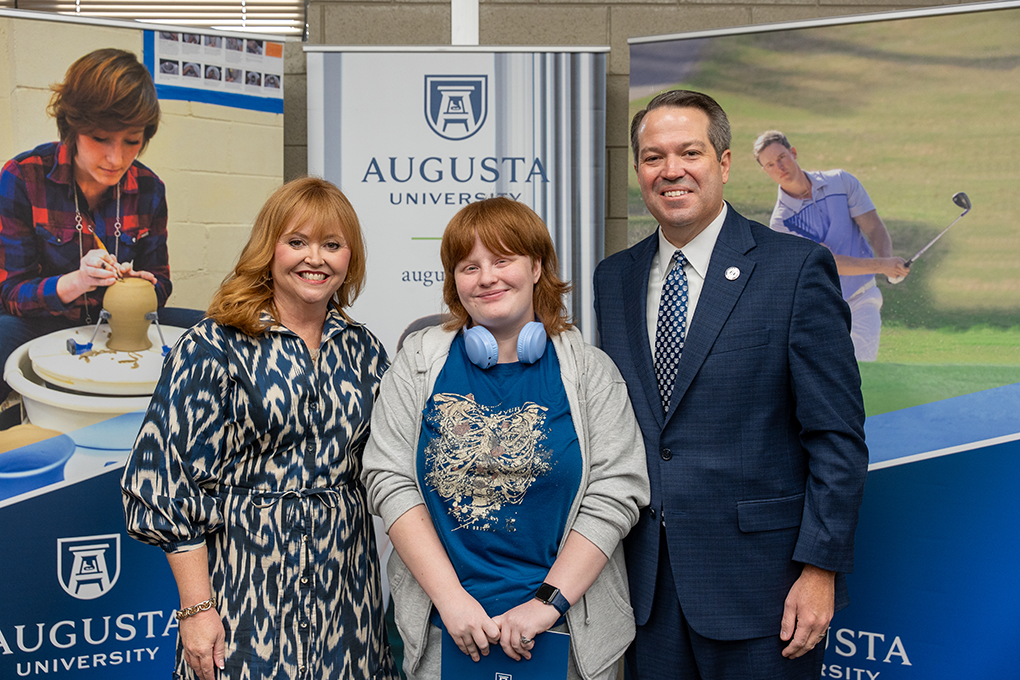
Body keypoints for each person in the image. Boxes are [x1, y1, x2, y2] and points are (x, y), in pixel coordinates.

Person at [593, 91, 869, 680]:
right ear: (638, 170)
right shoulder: (613, 279)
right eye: (652, 156)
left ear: (722, 163)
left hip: (765, 592)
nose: (671, 170)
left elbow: (837, 437)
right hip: (647, 591)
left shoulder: (795, 270)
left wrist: (819, 572)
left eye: (689, 152)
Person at [362, 197, 649, 680]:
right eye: (468, 266)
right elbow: (389, 479)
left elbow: (616, 492)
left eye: (502, 260)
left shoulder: (589, 372)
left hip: (564, 634)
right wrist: (451, 601)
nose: (486, 277)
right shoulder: (418, 362)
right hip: (445, 631)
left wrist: (547, 603)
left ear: (537, 266)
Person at [121, 177, 397, 680]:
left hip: (347, 592)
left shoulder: (363, 348)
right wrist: (196, 610)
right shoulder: (213, 344)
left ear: (349, 259)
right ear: (268, 249)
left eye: (332, 245)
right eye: (297, 242)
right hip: (246, 593)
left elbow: (393, 462)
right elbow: (164, 482)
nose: (315, 258)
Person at [0, 48, 204, 408]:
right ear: (73, 127)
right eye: (100, 138)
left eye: (131, 141)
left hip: (122, 325)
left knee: (219, 332)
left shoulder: (150, 189)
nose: (116, 158)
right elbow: (11, 294)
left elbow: (162, 281)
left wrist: (143, 285)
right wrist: (76, 282)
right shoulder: (22, 177)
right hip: (44, 321)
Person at [752, 130, 909, 361]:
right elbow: (829, 262)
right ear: (765, 171)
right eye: (770, 164)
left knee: (863, 373)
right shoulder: (781, 223)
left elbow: (873, 226)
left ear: (793, 153)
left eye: (782, 157)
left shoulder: (841, 182)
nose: (779, 167)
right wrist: (882, 265)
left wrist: (888, 264)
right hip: (820, 312)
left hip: (862, 299)